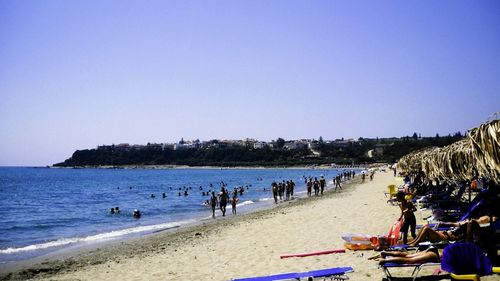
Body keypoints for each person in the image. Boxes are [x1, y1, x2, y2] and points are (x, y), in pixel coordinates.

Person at [408, 220, 479, 246]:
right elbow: (452, 224)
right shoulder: (462, 227)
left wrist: (446, 233)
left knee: (426, 229)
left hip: (445, 239)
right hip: (443, 234)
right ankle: (414, 241)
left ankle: (415, 243)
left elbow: (455, 239)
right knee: (425, 226)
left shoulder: (466, 234)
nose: (467, 221)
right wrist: (442, 223)